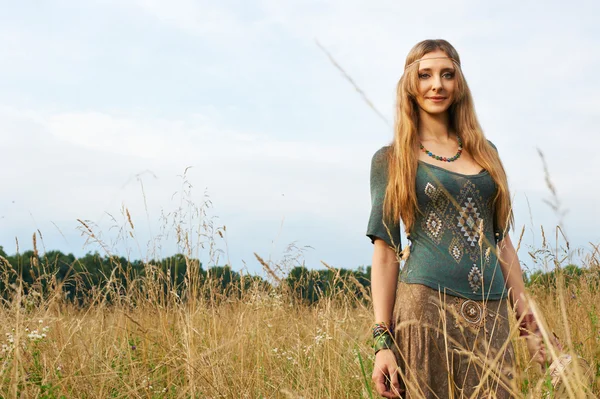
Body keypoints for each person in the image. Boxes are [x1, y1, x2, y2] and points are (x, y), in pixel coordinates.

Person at [366, 39, 549, 398]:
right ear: (410, 84)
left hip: (492, 312)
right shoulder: (390, 159)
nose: (437, 84)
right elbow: (386, 254)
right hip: (424, 311)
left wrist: (529, 325)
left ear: (459, 82)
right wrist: (382, 342)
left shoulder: (486, 153)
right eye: (425, 75)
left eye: (447, 74)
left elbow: (501, 242)